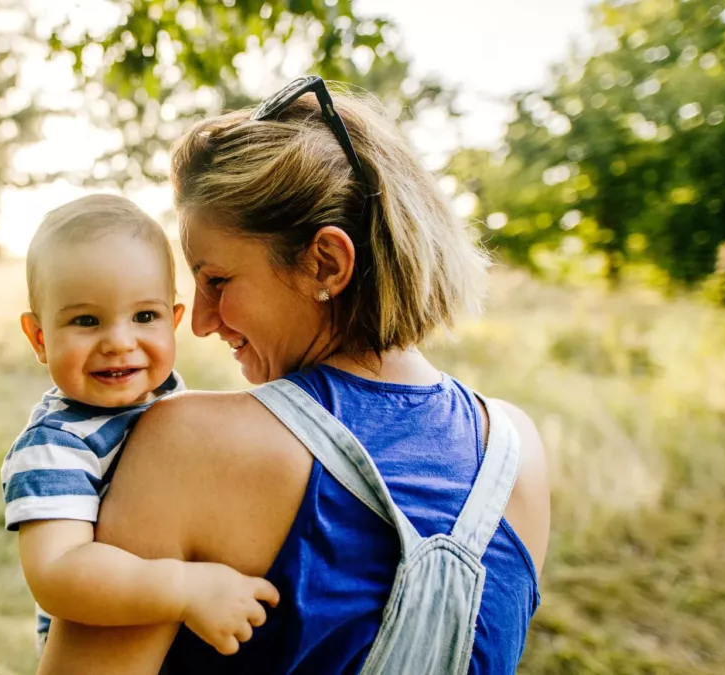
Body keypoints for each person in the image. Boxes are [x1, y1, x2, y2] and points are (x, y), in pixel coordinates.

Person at [37, 78, 552, 674]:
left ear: (326, 263)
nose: (200, 322)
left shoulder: (189, 444)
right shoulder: (516, 450)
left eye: (218, 280)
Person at [2, 194, 280, 657]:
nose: (119, 342)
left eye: (144, 316)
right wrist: (185, 588)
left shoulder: (173, 399)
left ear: (173, 322)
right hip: (111, 644)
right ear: (40, 337)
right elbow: (58, 571)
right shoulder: (57, 445)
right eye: (86, 320)